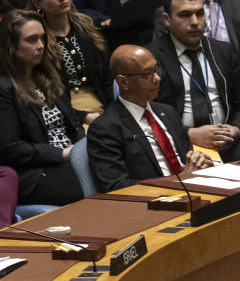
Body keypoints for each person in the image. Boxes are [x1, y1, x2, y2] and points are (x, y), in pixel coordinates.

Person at [149, 0, 240, 162]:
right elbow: (147, 116)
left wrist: (235, 130)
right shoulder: (151, 58)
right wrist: (190, 134)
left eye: (200, 13)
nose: (195, 21)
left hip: (227, 143)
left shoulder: (223, 51)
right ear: (167, 19)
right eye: (185, 15)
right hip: (180, 146)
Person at [0, 10, 96, 205]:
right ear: (11, 46)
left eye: (42, 38)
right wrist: (61, 154)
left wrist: (86, 123)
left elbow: (65, 118)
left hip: (72, 158)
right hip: (36, 171)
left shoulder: (47, 78)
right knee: (92, 187)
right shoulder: (4, 89)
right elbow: (10, 148)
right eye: (32, 40)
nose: (41, 46)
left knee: (118, 169)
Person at [87, 45, 214, 193]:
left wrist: (199, 163)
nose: (157, 78)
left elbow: (187, 159)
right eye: (148, 73)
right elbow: (116, 186)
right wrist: (178, 182)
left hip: (195, 190)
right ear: (123, 82)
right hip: (155, 203)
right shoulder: (105, 128)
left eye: (156, 70)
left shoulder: (168, 112)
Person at [26, 0, 112, 113]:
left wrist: (114, 112)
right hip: (65, 114)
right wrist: (82, 118)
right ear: (38, 3)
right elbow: (44, 92)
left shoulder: (88, 27)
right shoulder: (38, 40)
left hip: (103, 105)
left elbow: (108, 78)